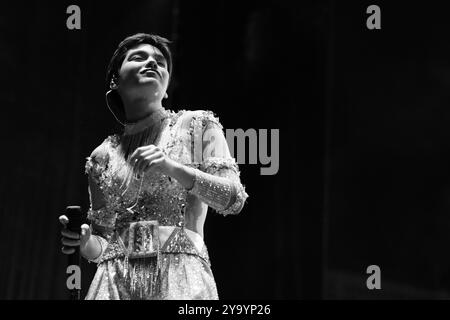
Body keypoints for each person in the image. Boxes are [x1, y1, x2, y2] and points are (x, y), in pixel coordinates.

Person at [59, 33, 248, 300]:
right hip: (114, 283)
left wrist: (173, 168)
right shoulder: (102, 156)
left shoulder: (197, 126)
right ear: (115, 79)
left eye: (160, 61)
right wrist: (85, 242)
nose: (152, 63)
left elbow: (233, 198)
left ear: (167, 84)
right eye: (139, 57)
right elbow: (104, 243)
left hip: (180, 278)